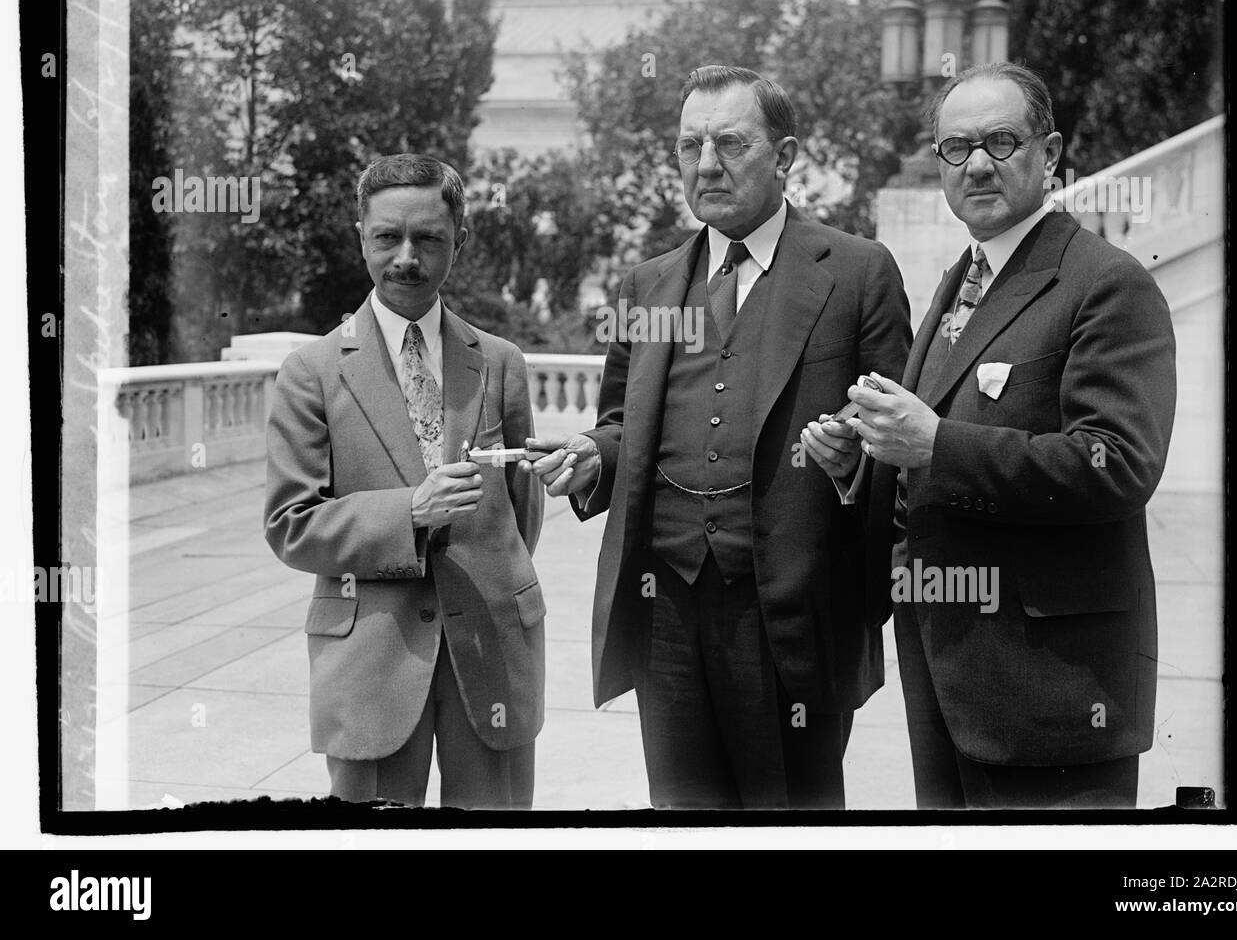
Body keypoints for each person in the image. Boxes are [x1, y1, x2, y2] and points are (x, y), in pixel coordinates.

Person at [524, 65, 912, 809]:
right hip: (664, 606)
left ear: (786, 154)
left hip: (791, 616)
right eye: (689, 145)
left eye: (730, 142)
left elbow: (902, 444)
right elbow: (619, 423)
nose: (706, 164)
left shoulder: (858, 272)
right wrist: (592, 458)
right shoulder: (649, 284)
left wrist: (851, 467)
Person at [847, 62, 1176, 809]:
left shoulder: (1105, 282)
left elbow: (1119, 463)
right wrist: (862, 458)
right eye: (956, 148)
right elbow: (926, 454)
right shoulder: (960, 279)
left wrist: (936, 443)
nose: (979, 164)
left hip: (1053, 689)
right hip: (947, 673)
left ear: (1051, 152)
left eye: (1002, 140)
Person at [264, 154, 544, 809]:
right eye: (388, 236)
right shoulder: (310, 372)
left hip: (493, 651)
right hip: (371, 664)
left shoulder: (501, 363)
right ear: (361, 234)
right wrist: (409, 512)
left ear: (461, 239)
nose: (407, 258)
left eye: (429, 238)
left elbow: (520, 514)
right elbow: (290, 524)